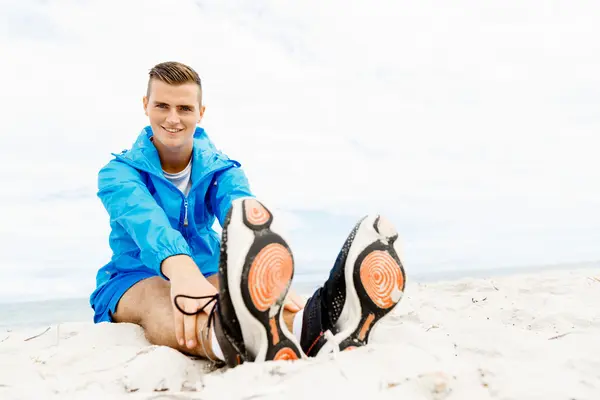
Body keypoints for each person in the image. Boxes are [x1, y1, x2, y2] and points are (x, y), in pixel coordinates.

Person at [90, 61, 406, 367]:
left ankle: (313, 327)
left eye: (184, 108)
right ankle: (222, 338)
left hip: (207, 267)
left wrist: (271, 279)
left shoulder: (222, 170)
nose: (173, 117)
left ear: (201, 112)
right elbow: (145, 221)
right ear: (146, 105)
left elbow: (240, 213)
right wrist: (180, 269)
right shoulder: (118, 173)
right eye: (162, 106)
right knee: (161, 296)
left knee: (245, 297)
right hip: (133, 275)